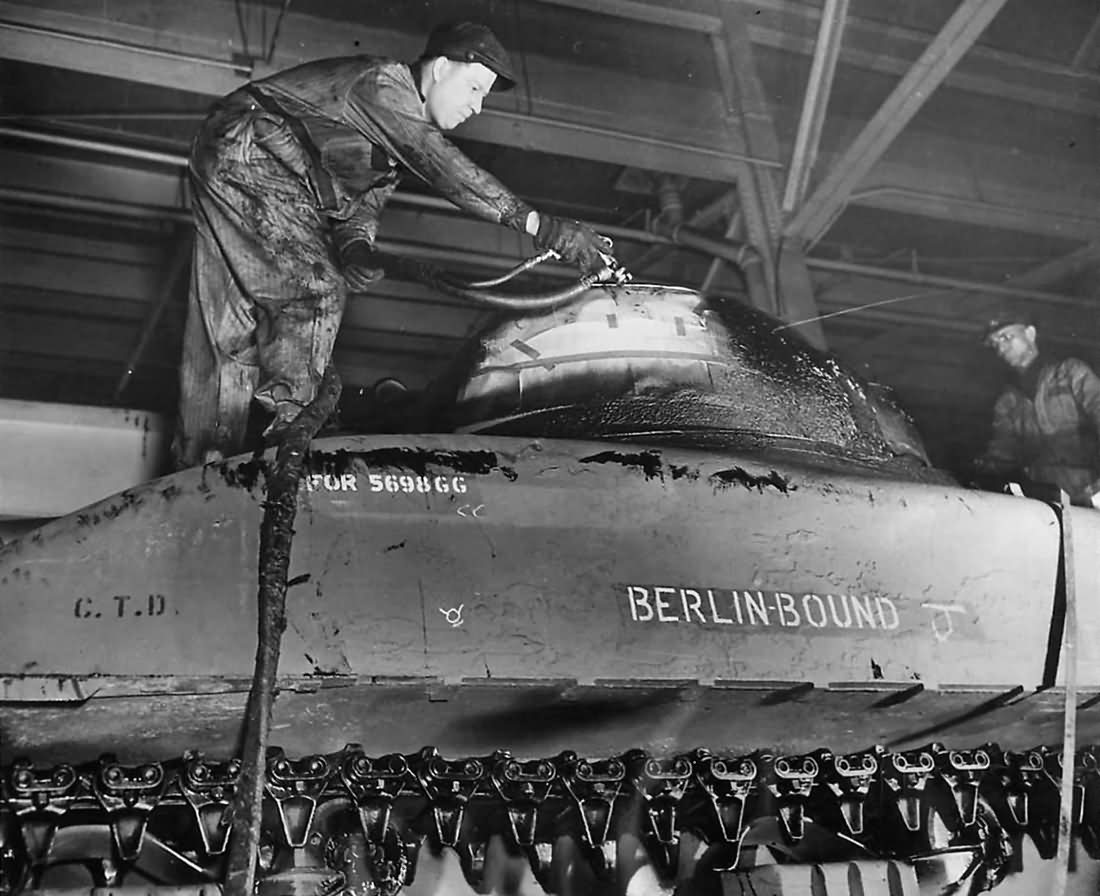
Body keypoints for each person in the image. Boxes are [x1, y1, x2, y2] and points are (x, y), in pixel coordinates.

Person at [172, 21, 610, 469]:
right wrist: (540, 225)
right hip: (250, 148)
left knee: (230, 323)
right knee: (315, 291)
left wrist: (355, 247)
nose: (477, 106)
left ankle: (201, 463)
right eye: (475, 88)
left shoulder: (390, 138)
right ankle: (294, 440)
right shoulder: (383, 84)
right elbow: (441, 165)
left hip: (233, 155)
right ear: (441, 68)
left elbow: (362, 206)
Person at [973, 309, 1100, 507]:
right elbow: (1002, 454)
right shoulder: (1008, 402)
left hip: (1092, 492)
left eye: (1006, 337)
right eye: (995, 343)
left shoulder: (1070, 373)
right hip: (1045, 501)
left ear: (1030, 333)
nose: (1001, 348)